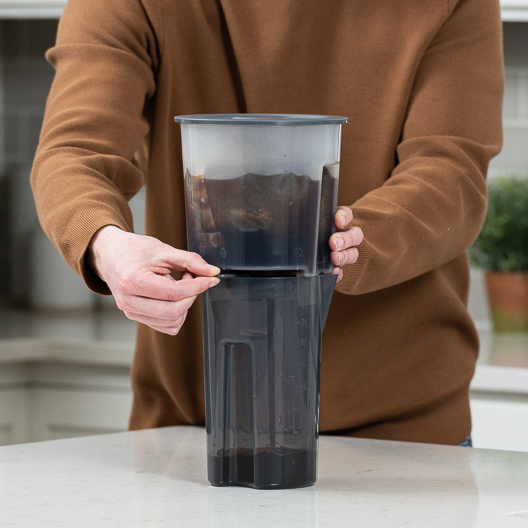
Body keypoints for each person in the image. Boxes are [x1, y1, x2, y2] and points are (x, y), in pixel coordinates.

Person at [31, 0, 504, 445]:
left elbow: (450, 174)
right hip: (195, 429)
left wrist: (351, 241)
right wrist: (105, 244)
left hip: (400, 435)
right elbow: (76, 152)